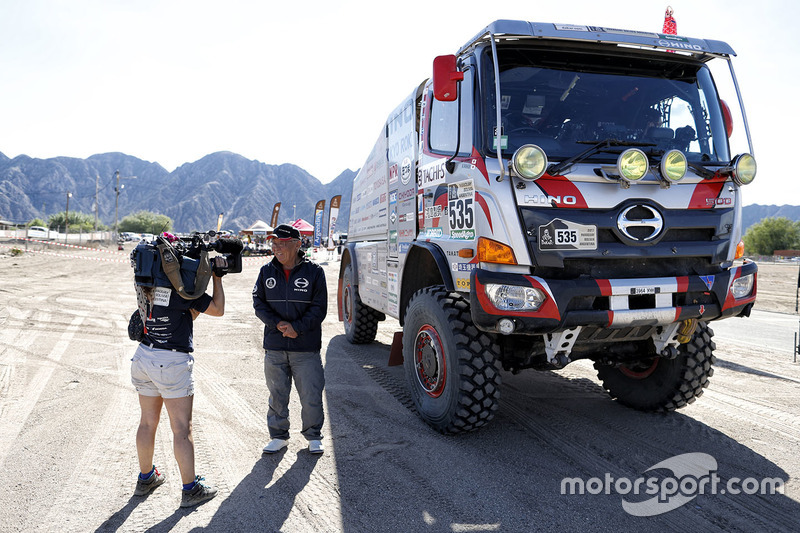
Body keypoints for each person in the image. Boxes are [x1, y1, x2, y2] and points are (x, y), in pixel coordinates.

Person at [130, 247, 227, 508]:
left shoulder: (147, 285)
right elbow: (217, 310)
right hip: (171, 362)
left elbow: (178, 314)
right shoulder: (185, 292)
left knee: (147, 423)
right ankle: (190, 488)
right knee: (182, 429)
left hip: (143, 356)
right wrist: (217, 277)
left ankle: (146, 478)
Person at [252, 224, 328, 455]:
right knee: (277, 394)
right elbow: (259, 303)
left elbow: (319, 308)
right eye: (274, 244)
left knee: (311, 395)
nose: (276, 248)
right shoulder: (266, 271)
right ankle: (278, 436)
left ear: (297, 244)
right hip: (274, 346)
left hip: (305, 348)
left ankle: (313, 436)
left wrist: (297, 328)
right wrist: (278, 324)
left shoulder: (314, 272)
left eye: (282, 244)